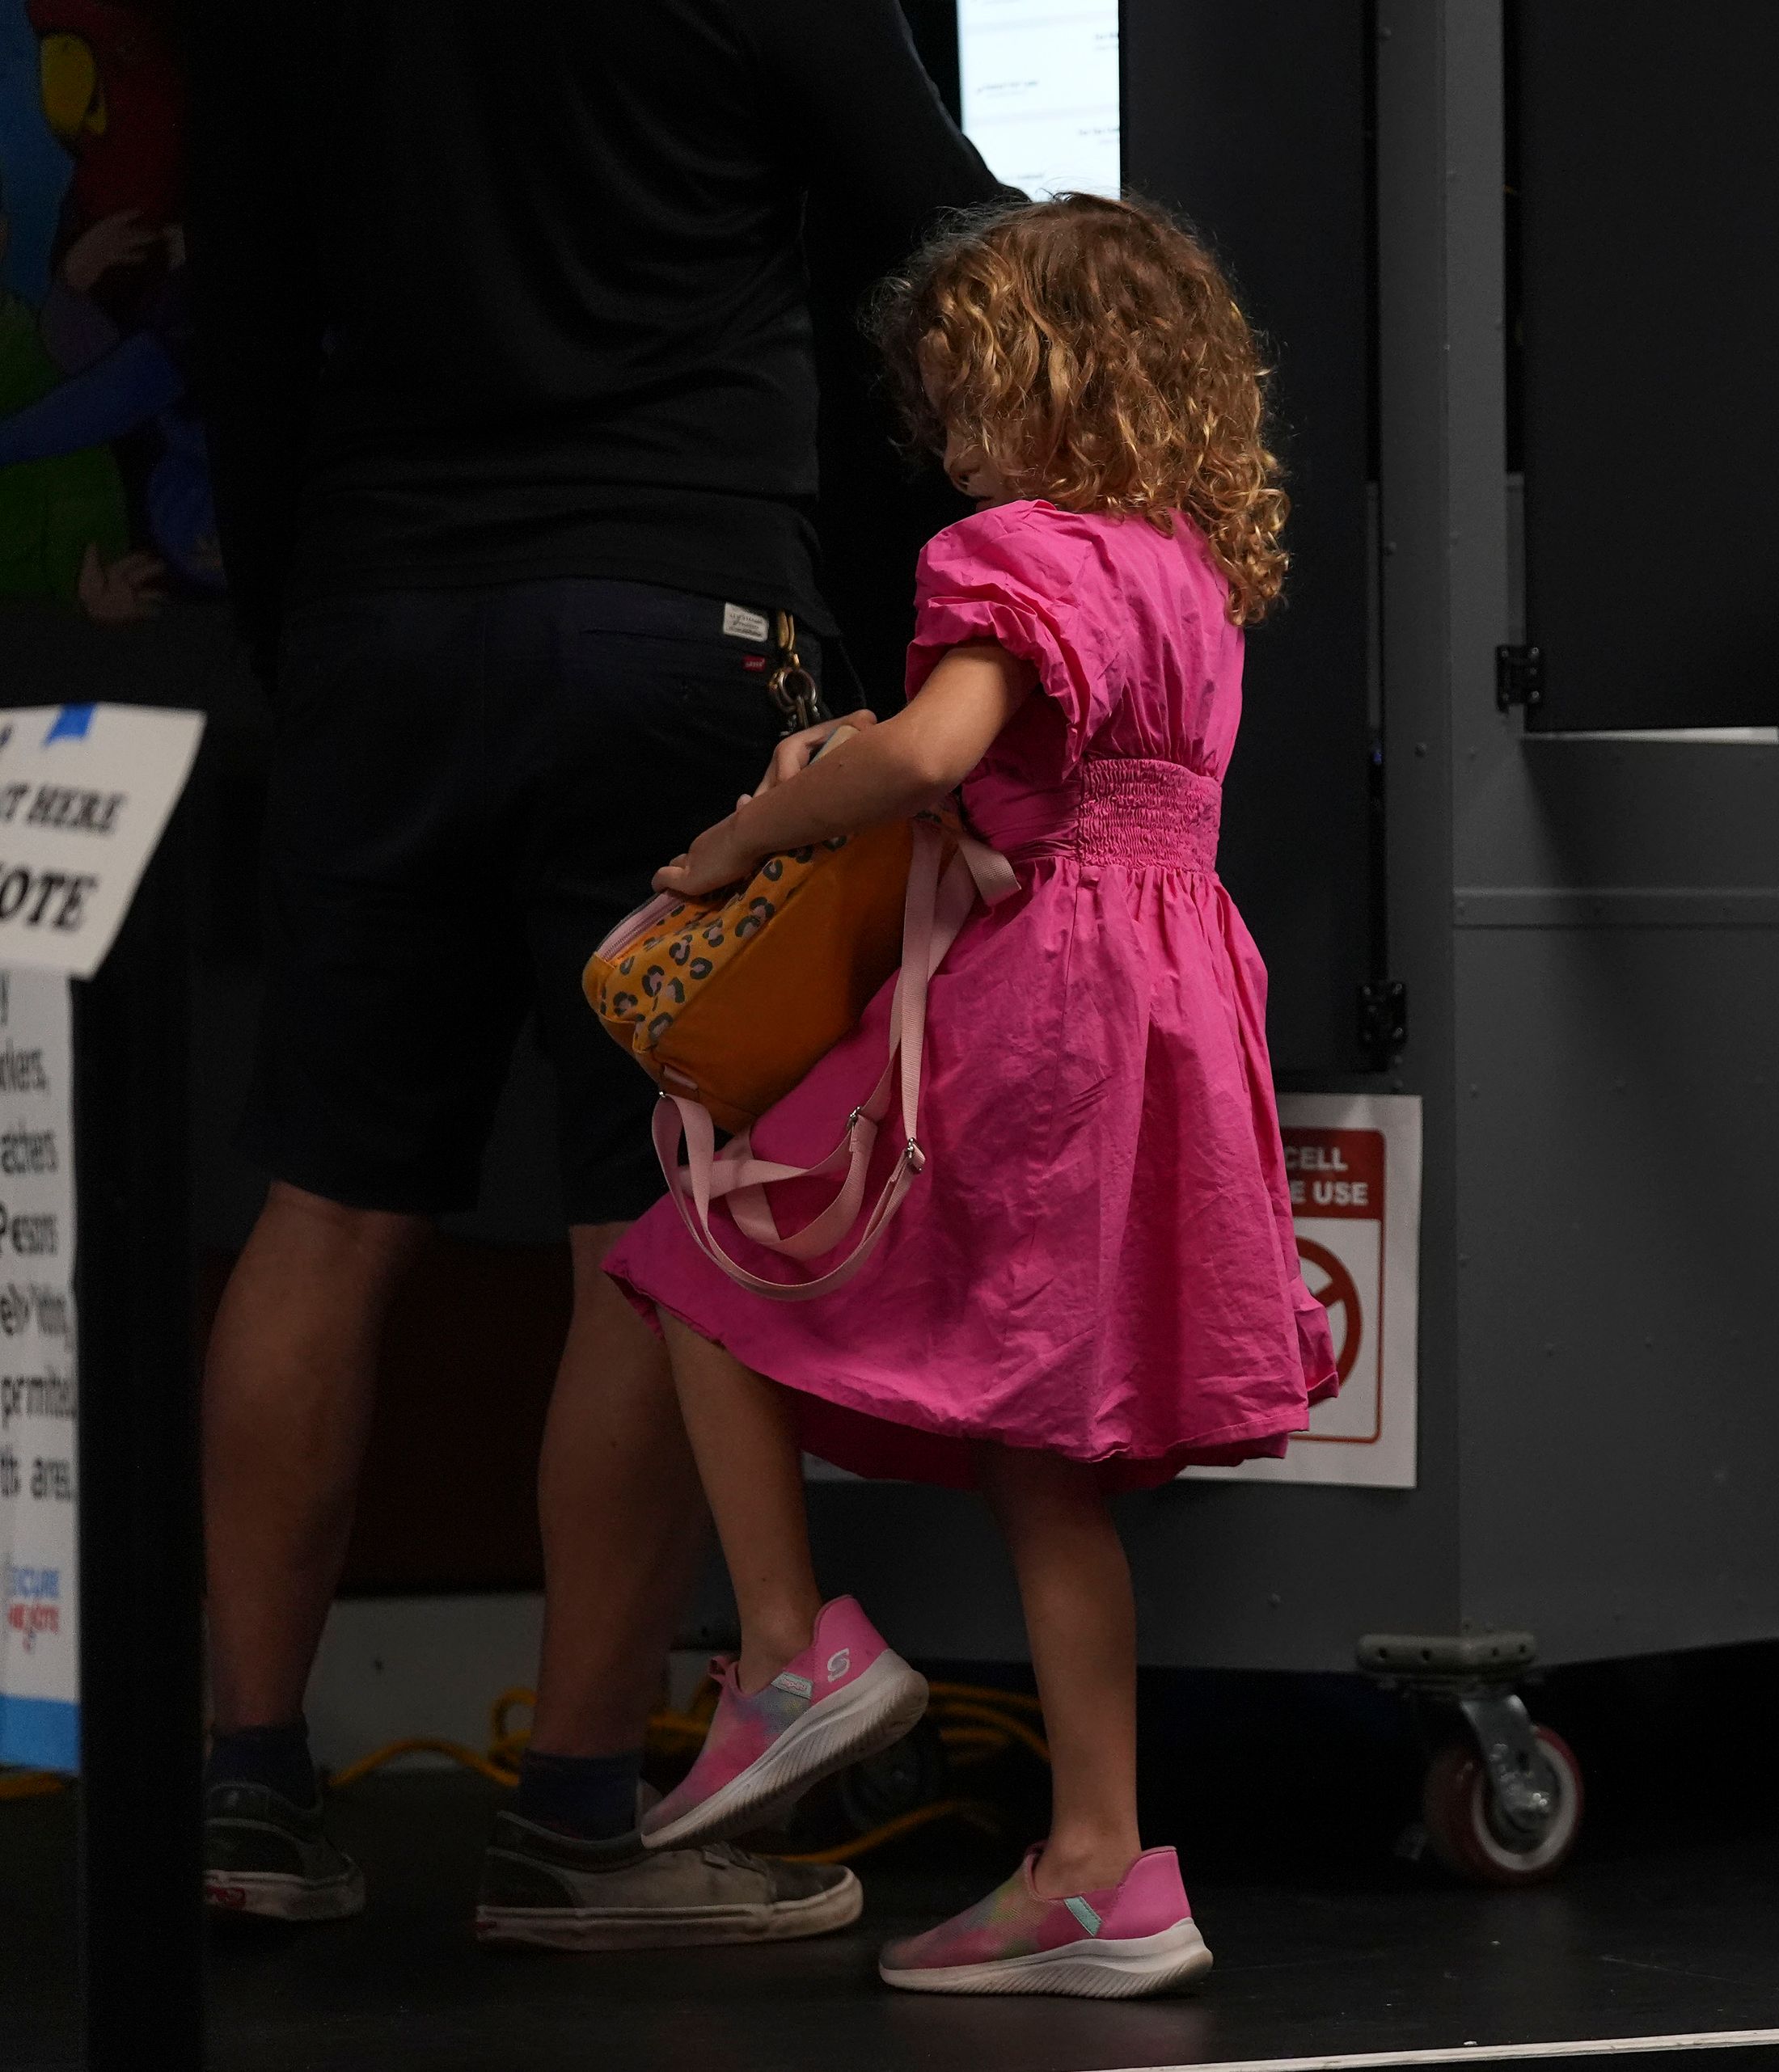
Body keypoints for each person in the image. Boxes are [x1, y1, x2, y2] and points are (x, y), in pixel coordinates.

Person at [184, 0, 999, 1944]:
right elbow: (962, 245)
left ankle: (242, 1788)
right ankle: (575, 1814)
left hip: (383, 610)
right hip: (674, 621)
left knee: (326, 1199)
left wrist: (310, 637)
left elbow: (235, 325)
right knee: (648, 1221)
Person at [602, 194, 1337, 1997]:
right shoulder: (1187, 570)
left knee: (701, 1251)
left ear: (1050, 382)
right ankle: (1107, 1865)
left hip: (1043, 1008)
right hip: (1173, 1009)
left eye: (962, 391)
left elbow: (935, 752)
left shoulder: (1016, 552)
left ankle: (791, 1646)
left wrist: (745, 833)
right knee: (1050, 1463)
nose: (945, 436)